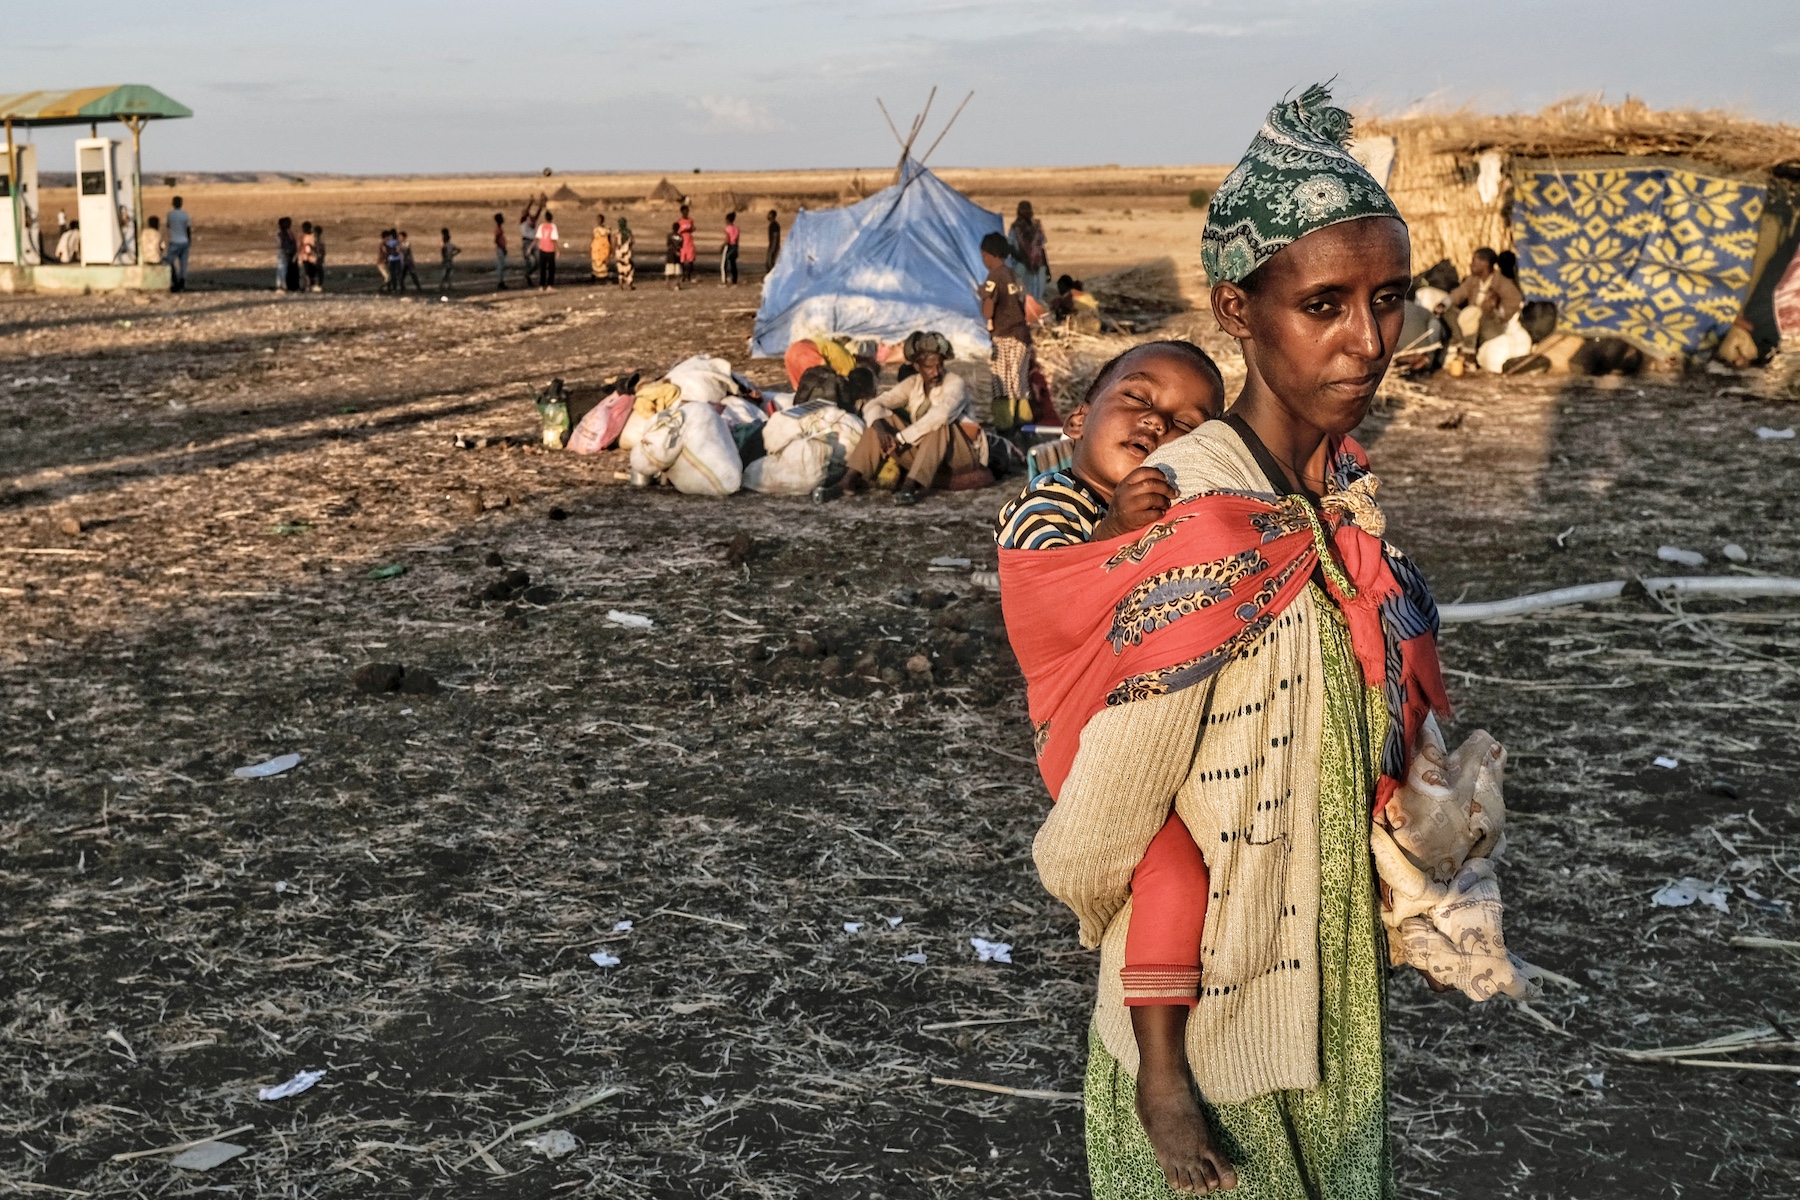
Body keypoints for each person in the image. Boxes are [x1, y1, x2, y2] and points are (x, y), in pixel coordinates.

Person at [1013, 84, 1453, 1200]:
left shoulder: (1347, 499)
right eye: (1325, 305)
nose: (1369, 341)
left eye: (1389, 298)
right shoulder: (1195, 519)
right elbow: (1089, 837)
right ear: (1236, 309)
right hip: (1212, 1044)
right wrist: (1166, 991)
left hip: (1337, 1013)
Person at [815, 330, 988, 507]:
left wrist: (900, 438)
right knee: (881, 422)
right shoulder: (913, 383)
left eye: (939, 366)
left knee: (939, 424)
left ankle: (910, 486)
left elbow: (941, 415)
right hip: (928, 453)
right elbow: (873, 404)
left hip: (961, 454)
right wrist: (881, 428)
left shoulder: (954, 382)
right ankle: (848, 481)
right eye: (929, 367)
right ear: (917, 367)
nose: (936, 372)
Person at [980, 231, 1033, 432]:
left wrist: (983, 295)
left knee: (1002, 382)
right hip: (1022, 335)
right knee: (1019, 381)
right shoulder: (1014, 274)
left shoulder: (994, 277)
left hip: (1005, 336)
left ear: (987, 255)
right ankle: (1024, 425)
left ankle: (1006, 426)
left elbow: (988, 311)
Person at [1437, 246, 1521, 349]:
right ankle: (1459, 340)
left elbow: (1514, 303)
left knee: (1475, 317)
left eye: (1473, 261)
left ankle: (1469, 351)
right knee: (1448, 310)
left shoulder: (1503, 283)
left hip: (1491, 324)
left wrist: (1496, 309)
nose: (1471, 265)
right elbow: (1458, 293)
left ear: (1484, 263)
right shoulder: (1473, 280)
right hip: (1471, 320)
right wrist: (1443, 304)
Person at [1009, 200, 1051, 303]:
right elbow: (1010, 247)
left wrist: (1047, 268)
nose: (1026, 211)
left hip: (1038, 266)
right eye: (1023, 209)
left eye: (1027, 209)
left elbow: (1041, 248)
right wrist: (1023, 259)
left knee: (1037, 294)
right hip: (1022, 266)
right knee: (1022, 294)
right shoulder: (1015, 228)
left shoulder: (1037, 226)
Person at [165, 197, 191, 291]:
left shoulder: (170, 215)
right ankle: (182, 282)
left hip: (174, 241)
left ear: (173, 204)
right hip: (184, 241)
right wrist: (189, 242)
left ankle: (174, 280)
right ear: (181, 203)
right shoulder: (185, 215)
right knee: (183, 264)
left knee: (169, 262)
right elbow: (188, 229)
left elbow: (168, 226)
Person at [520, 197, 542, 288]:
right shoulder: (523, 222)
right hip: (526, 243)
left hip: (533, 242)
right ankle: (528, 277)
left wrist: (540, 205)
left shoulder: (532, 222)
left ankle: (528, 274)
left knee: (537, 261)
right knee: (529, 261)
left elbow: (537, 215)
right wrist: (531, 202)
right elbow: (526, 212)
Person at [536, 210, 558, 290]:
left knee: (543, 268)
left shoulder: (541, 226)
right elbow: (554, 239)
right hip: (550, 249)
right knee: (551, 268)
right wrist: (558, 250)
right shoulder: (553, 227)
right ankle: (549, 285)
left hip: (542, 249)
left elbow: (538, 237)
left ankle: (541, 285)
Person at [275, 217, 298, 293]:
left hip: (290, 253)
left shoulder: (289, 232)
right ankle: (281, 285)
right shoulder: (280, 233)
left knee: (287, 269)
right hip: (283, 253)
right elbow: (281, 245)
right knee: (282, 268)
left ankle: (289, 285)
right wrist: (286, 252)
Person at [676, 204, 696, 285]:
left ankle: (689, 275)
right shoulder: (679, 221)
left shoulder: (690, 220)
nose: (686, 213)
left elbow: (693, 228)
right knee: (682, 260)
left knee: (691, 260)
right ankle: (683, 275)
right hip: (682, 242)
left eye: (687, 211)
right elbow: (677, 231)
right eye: (685, 211)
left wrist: (690, 229)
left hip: (689, 241)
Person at [590, 214, 613, 282]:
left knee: (604, 262)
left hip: (604, 248)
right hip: (596, 248)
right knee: (596, 262)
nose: (598, 221)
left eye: (600, 219)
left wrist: (611, 249)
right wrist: (591, 248)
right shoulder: (595, 229)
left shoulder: (607, 230)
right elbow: (592, 239)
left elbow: (609, 240)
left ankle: (605, 277)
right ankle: (594, 276)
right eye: (597, 219)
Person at [721, 211, 740, 285]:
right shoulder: (736, 228)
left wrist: (723, 246)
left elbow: (727, 239)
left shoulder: (727, 228)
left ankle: (724, 279)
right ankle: (734, 279)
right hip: (735, 246)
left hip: (729, 246)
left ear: (728, 220)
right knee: (733, 263)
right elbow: (737, 239)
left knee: (724, 264)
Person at [439, 227, 460, 294]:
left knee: (445, 273)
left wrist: (444, 258)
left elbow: (442, 253)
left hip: (446, 260)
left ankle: (442, 285)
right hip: (450, 260)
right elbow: (459, 250)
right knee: (449, 273)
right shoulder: (451, 245)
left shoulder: (445, 246)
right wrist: (453, 254)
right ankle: (449, 286)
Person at [616, 217, 635, 289]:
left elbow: (615, 243)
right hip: (627, 252)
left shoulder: (618, 232)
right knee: (630, 267)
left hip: (619, 252)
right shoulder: (629, 232)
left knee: (620, 267)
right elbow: (632, 241)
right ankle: (629, 282)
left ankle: (621, 282)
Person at [298, 221, 318, 290]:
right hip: (304, 257)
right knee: (305, 272)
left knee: (312, 272)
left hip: (312, 257)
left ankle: (312, 285)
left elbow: (315, 246)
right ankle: (306, 285)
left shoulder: (313, 236)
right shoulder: (302, 236)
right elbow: (300, 246)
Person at [493, 212, 509, 290]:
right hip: (500, 249)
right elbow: (496, 240)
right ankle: (500, 282)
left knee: (502, 266)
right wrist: (503, 248)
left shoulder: (499, 228)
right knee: (501, 266)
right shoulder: (498, 229)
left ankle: (501, 281)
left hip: (501, 249)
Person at [665, 222, 683, 286]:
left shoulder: (669, 235)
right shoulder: (680, 237)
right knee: (677, 270)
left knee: (669, 269)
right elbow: (681, 246)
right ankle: (677, 283)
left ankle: (668, 283)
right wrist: (677, 251)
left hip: (670, 254)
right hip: (677, 254)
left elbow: (668, 244)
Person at [765, 208, 782, 275]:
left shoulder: (774, 225)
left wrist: (772, 248)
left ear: (773, 216)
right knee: (769, 263)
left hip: (773, 246)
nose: (768, 216)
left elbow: (775, 237)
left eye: (769, 215)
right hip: (772, 245)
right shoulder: (772, 224)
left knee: (770, 263)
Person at [311, 225, 328, 291]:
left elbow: (321, 250)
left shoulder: (319, 241)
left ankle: (318, 285)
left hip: (318, 258)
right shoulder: (317, 240)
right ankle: (317, 284)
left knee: (318, 271)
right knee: (318, 271)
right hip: (317, 257)